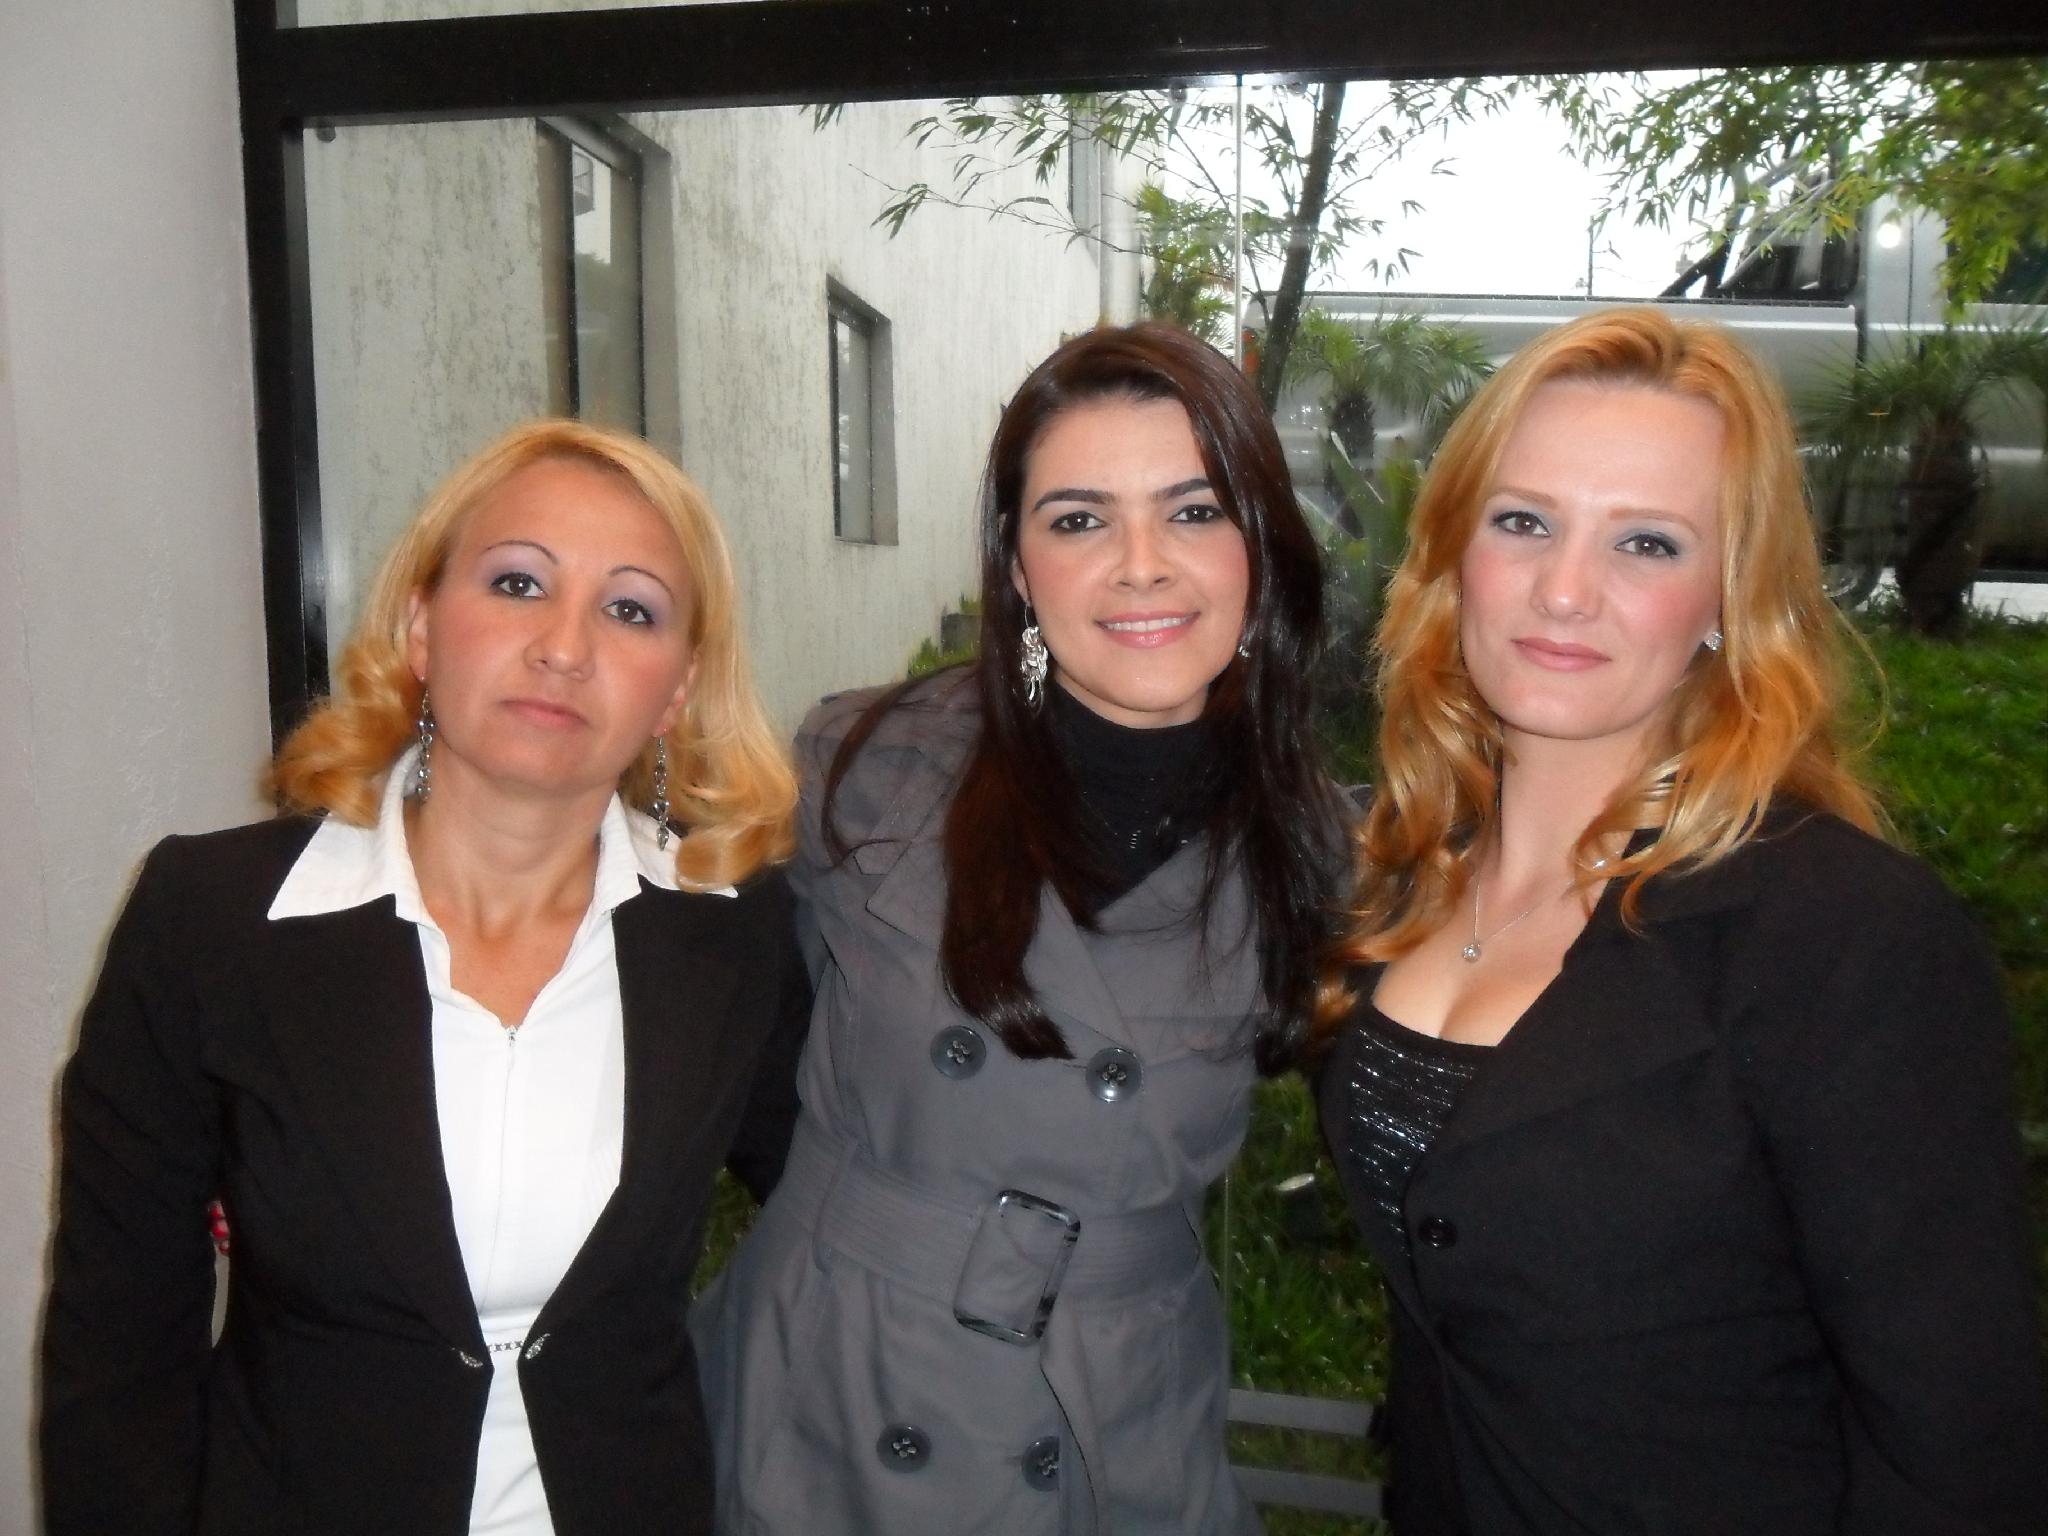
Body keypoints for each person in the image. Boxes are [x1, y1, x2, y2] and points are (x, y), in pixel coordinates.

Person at [1314, 307, 2048, 1534]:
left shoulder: (1842, 936)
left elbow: (1959, 1453)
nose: (1562, 590)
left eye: (1644, 543)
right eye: (1522, 522)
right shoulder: (1402, 874)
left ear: (1726, 595)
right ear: (1452, 550)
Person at [40, 419, 811, 1536]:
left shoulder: (735, 937)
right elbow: (117, 1352)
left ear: (678, 689)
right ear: (419, 624)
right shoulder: (212, 921)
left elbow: (853, 1204)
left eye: (630, 610)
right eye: (517, 584)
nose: (564, 647)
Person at [692, 321, 1339, 1534]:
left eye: (1193, 511)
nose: (1140, 566)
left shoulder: (1318, 856)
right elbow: (734, 1041)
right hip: (831, 1398)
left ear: (1259, 547)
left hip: (1113, 1415)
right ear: (1017, 567)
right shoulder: (867, 767)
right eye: (1078, 519)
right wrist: (880, 1225)